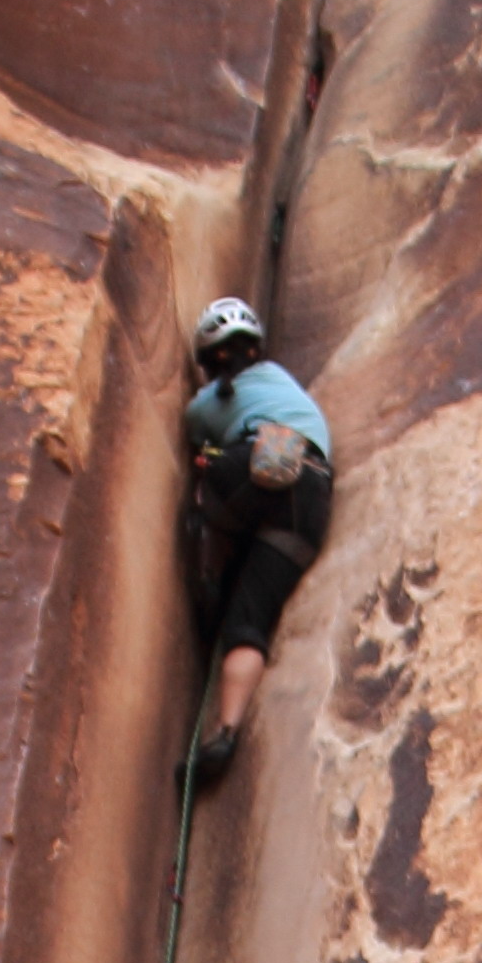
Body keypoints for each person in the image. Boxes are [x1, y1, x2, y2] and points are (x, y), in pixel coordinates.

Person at [178, 297, 334, 781]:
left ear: (211, 360)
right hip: (311, 495)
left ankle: (210, 585)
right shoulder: (282, 381)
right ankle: (225, 732)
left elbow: (196, 429)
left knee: (204, 481)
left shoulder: (209, 402)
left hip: (261, 462)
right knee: (249, 620)